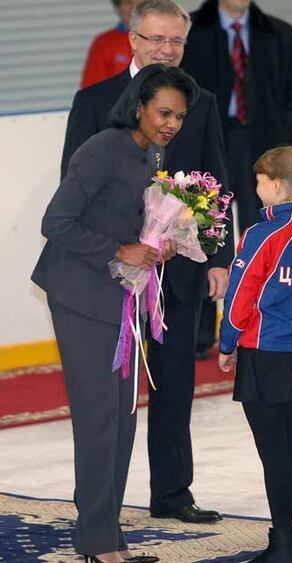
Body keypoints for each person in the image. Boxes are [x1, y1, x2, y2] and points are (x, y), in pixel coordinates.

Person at [61, 0, 234, 524]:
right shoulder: (94, 101)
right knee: (108, 401)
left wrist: (220, 256)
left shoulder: (200, 102)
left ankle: (173, 494)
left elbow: (217, 180)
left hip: (178, 270)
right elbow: (71, 191)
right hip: (111, 275)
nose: (166, 50)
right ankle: (99, 508)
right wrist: (114, 250)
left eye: (176, 42)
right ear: (132, 40)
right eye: (156, 40)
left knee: (175, 384)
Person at [32, 64, 199, 563]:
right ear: (139, 106)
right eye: (164, 112)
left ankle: (109, 536)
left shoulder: (153, 154)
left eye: (180, 116)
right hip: (81, 296)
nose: (171, 123)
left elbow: (138, 224)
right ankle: (98, 543)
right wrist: (118, 250)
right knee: (99, 419)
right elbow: (55, 222)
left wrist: (158, 246)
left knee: (124, 419)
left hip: (122, 298)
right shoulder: (102, 149)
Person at [219, 147, 292, 563]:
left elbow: (240, 297)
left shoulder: (260, 235)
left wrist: (228, 342)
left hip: (262, 353)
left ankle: (284, 543)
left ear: (276, 185)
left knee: (274, 452)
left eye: (257, 180)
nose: (254, 187)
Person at [181, 0, 292, 359]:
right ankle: (201, 331)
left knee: (266, 238)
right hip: (209, 145)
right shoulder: (191, 31)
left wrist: (285, 135)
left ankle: (261, 321)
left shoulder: (279, 34)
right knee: (205, 232)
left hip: (264, 148)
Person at [81, 1, 138, 89]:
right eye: (128, 2)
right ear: (118, 8)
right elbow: (91, 90)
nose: (134, 7)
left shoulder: (161, 40)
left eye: (139, 1)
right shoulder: (104, 43)